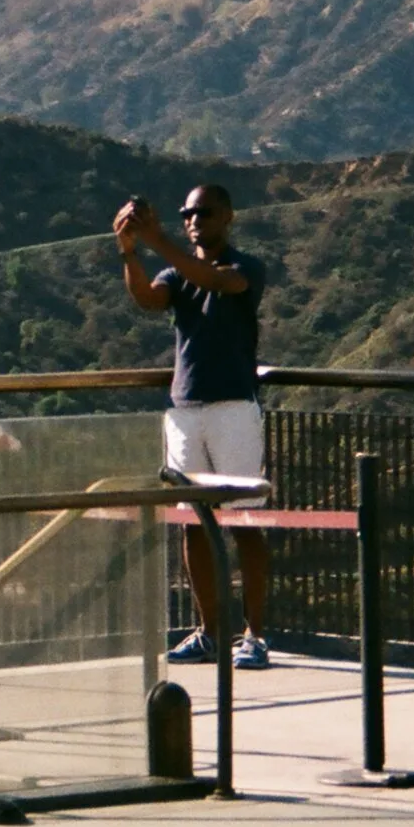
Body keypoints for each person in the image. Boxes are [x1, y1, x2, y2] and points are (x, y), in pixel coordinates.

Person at [113, 184, 273, 670]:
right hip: (185, 411)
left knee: (246, 521)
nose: (193, 220)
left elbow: (217, 280)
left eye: (202, 212)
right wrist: (128, 251)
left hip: (233, 410)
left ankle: (256, 635)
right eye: (186, 213)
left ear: (228, 216)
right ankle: (209, 631)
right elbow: (147, 298)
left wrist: (156, 238)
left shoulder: (245, 268)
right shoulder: (176, 273)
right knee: (194, 525)